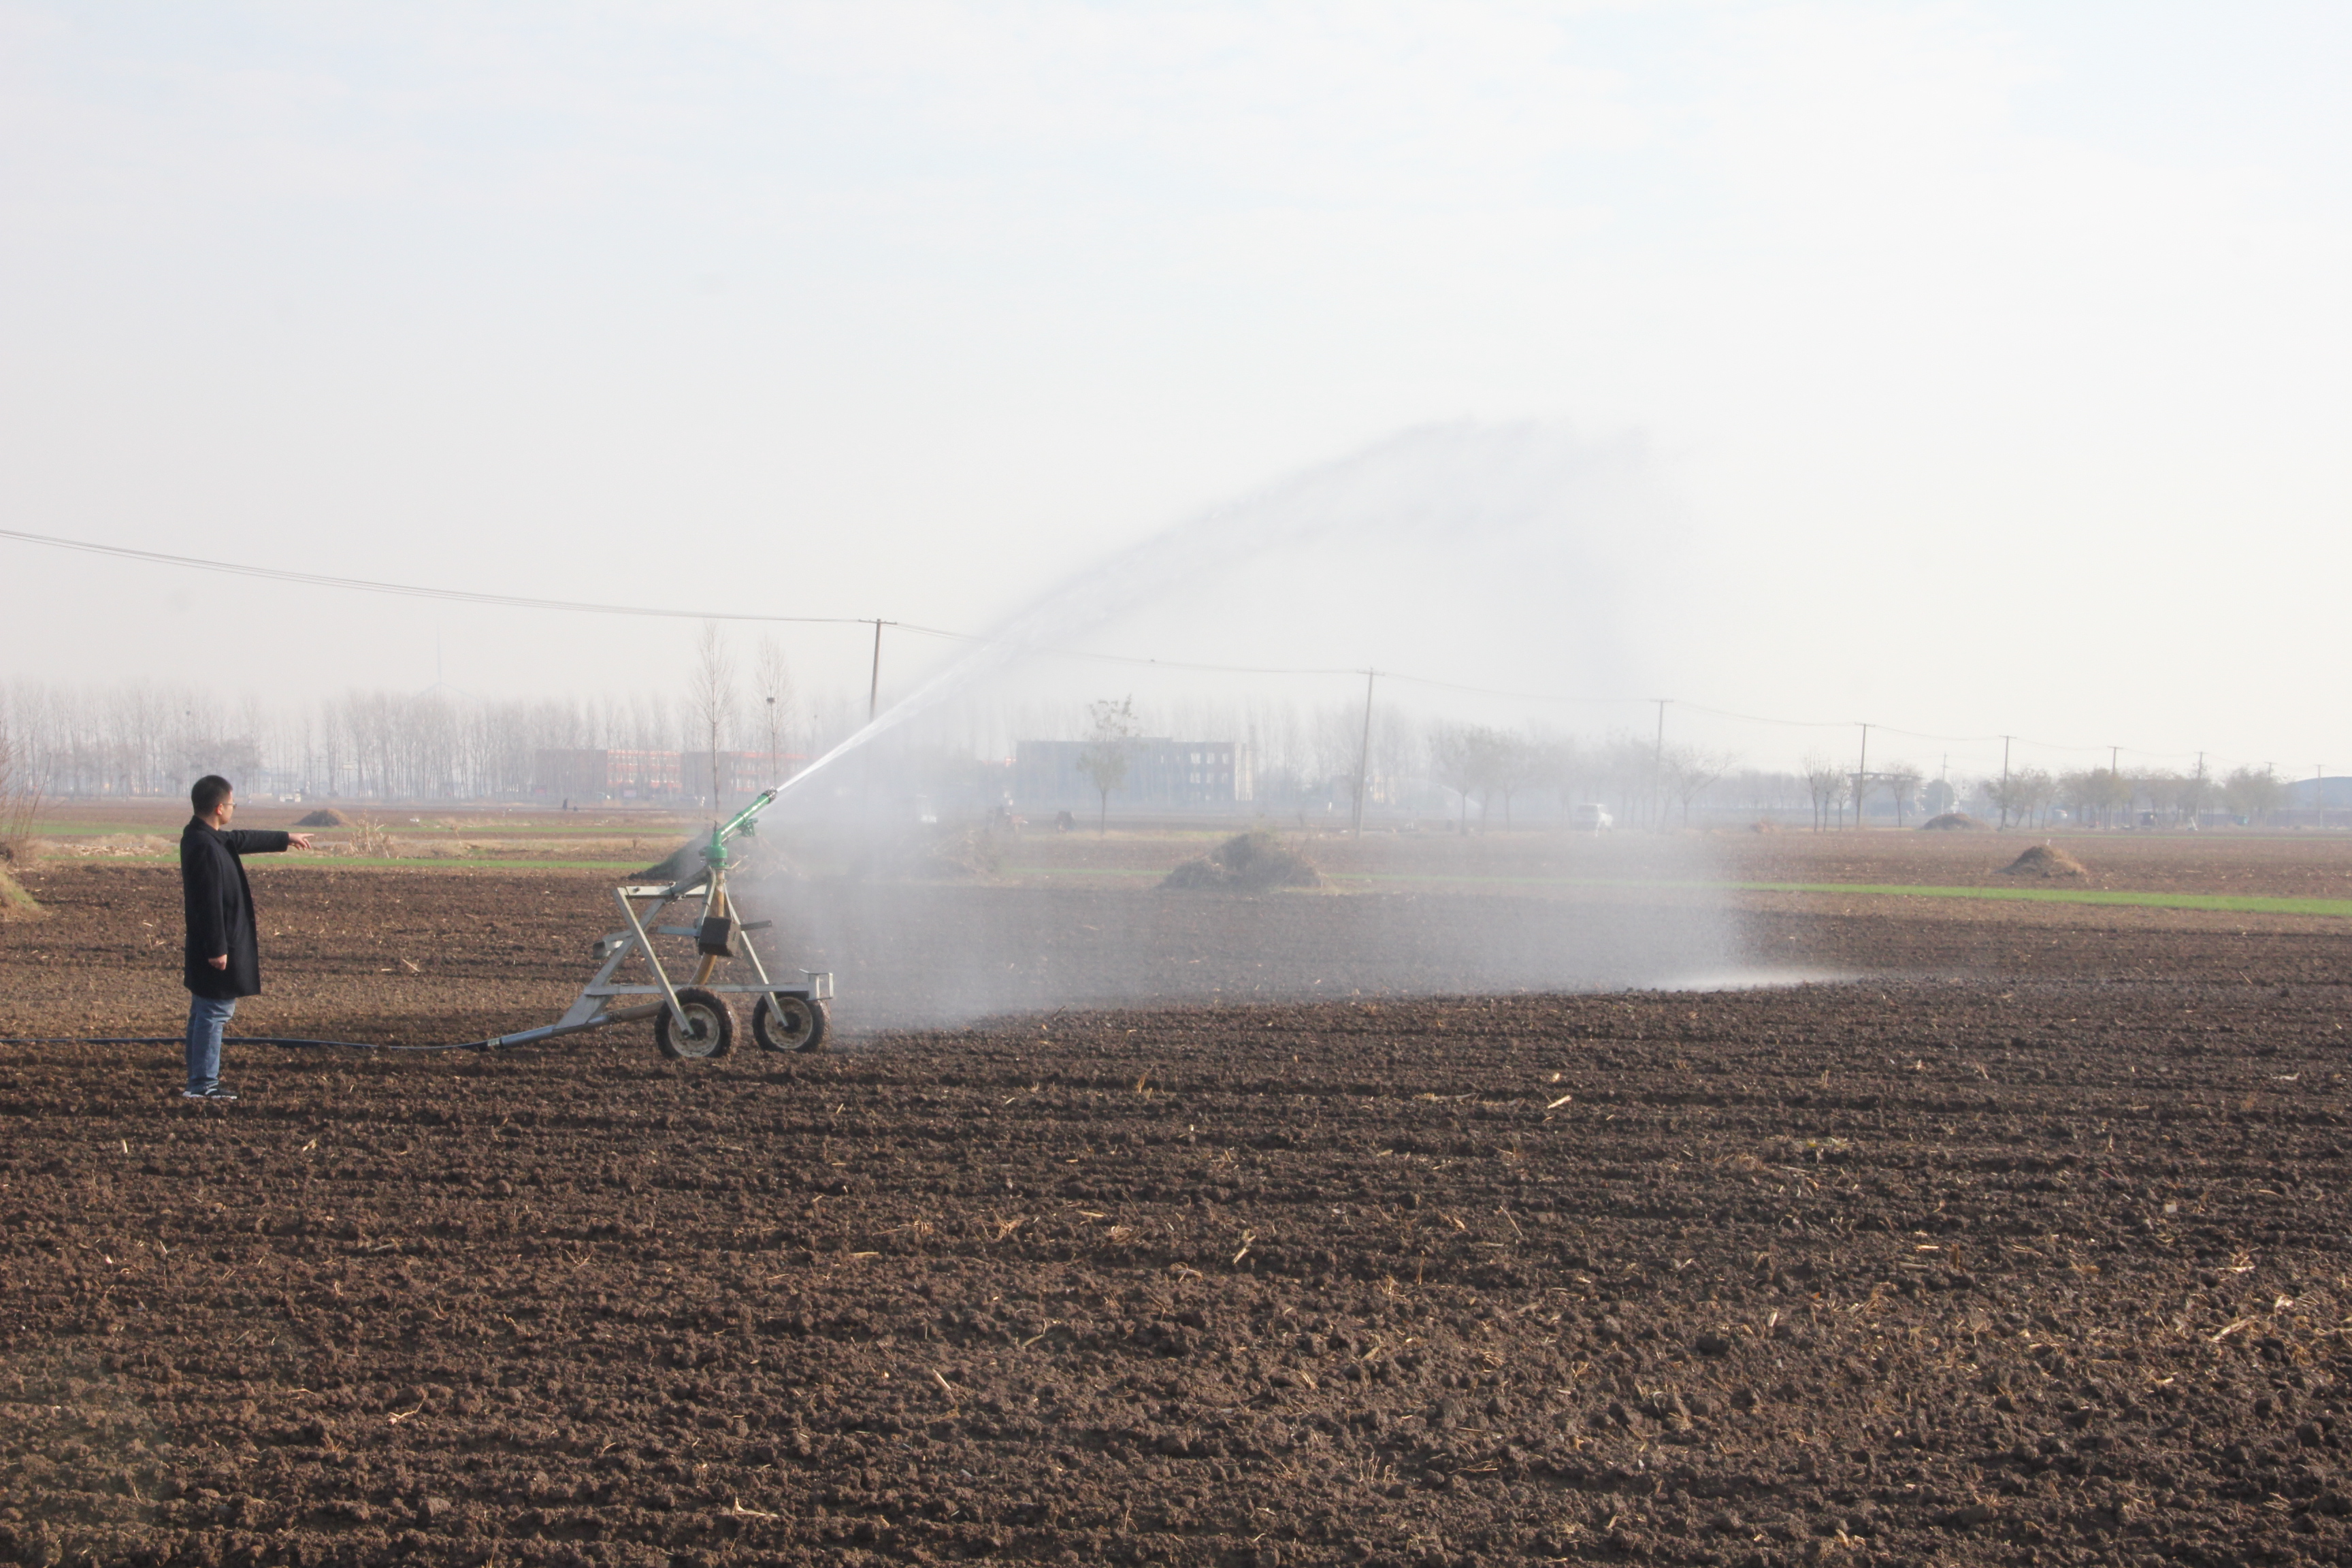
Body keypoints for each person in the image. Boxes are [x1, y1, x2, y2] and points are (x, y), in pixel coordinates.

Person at [179, 775, 312, 1100]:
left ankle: (200, 1082)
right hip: (215, 948)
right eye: (233, 804)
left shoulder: (205, 837)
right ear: (219, 807)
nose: (234, 811)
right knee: (213, 1014)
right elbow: (208, 902)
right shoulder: (205, 847)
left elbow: (241, 838)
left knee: (204, 1012)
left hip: (213, 945)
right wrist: (217, 948)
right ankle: (203, 1085)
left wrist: (285, 838)